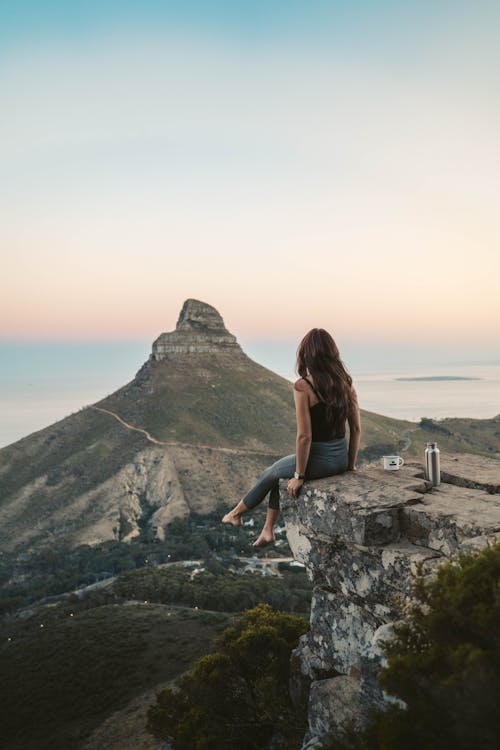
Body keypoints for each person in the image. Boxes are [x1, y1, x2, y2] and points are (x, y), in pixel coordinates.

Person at [222, 328, 361, 546]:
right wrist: (350, 465)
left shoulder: (304, 386)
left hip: (320, 460)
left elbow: (304, 436)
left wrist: (300, 475)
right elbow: (356, 429)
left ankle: (236, 513)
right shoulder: (346, 383)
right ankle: (267, 530)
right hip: (341, 460)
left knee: (271, 472)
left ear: (306, 354)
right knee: (279, 475)